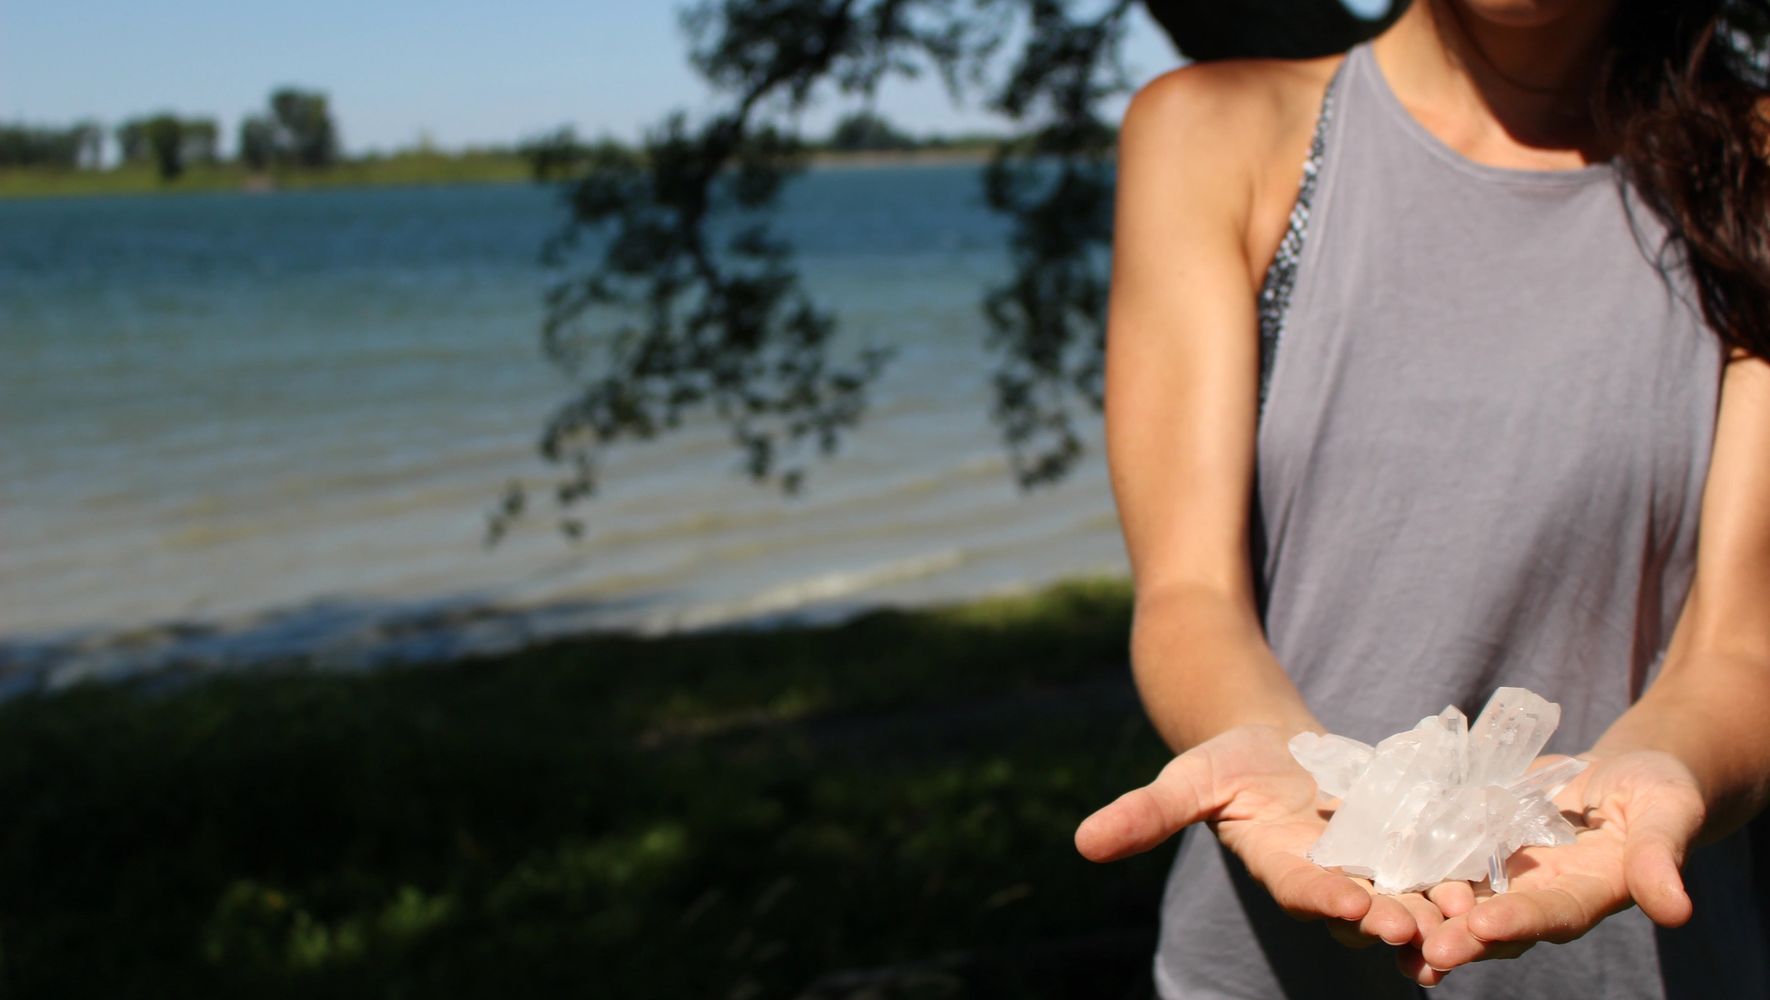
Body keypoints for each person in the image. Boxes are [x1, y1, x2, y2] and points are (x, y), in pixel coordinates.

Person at [1072, 0, 1770, 996]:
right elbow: (1190, 593)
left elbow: (1742, 645)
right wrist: (1286, 761)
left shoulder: (1756, 161)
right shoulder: (1216, 130)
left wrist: (1669, 774)